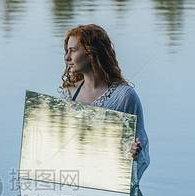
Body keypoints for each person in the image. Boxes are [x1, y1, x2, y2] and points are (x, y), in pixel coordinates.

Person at [59, 24, 149, 187]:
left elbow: (142, 155)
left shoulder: (125, 97)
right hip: (72, 187)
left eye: (73, 50)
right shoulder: (67, 94)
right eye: (67, 51)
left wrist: (134, 153)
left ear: (91, 52)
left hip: (109, 187)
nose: (67, 57)